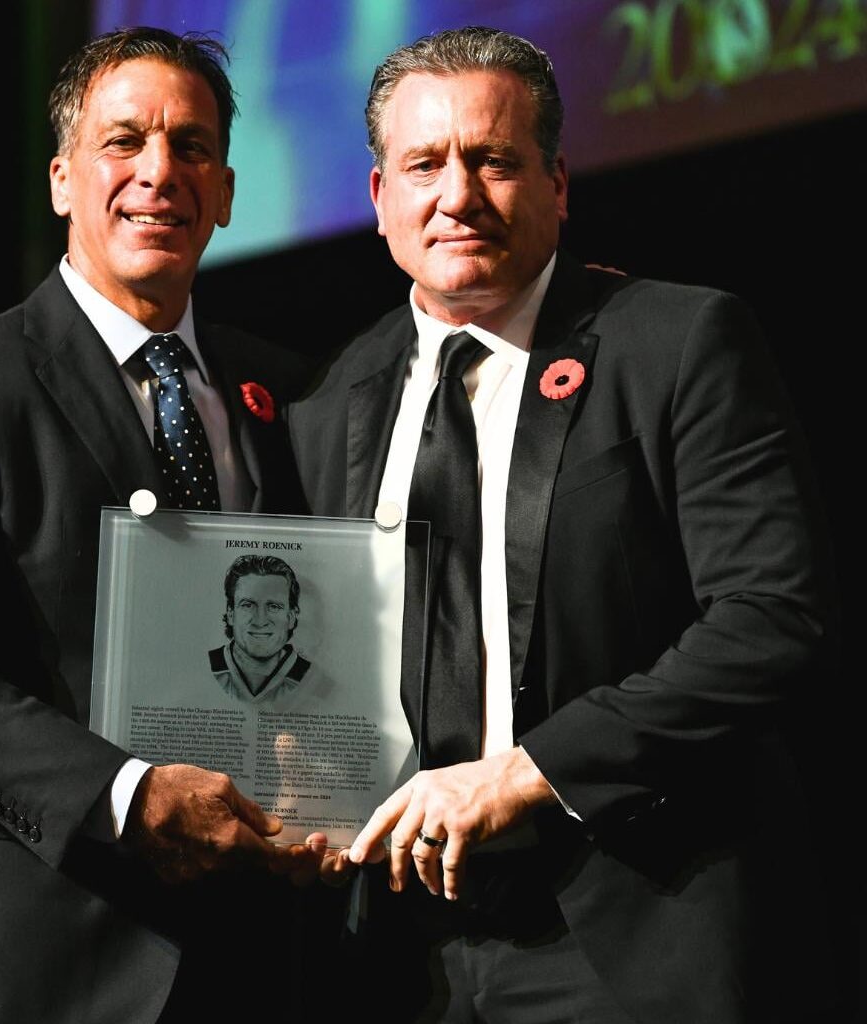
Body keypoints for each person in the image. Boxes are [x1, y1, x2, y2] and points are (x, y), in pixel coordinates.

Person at [289, 26, 836, 1024]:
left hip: (632, 931)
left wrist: (529, 774)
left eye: (493, 159)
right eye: (424, 165)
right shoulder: (327, 406)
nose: (457, 195)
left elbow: (771, 619)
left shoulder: (676, 343)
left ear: (557, 183)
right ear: (379, 202)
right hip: (398, 956)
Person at [0, 26, 322, 1024]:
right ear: (62, 179)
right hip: (20, 962)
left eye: (191, 147)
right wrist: (127, 794)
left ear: (227, 193)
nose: (159, 171)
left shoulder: (283, 387)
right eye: (124, 140)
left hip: (240, 967)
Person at [209, 554, 313, 702]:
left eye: (274, 607)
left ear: (291, 617)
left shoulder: (312, 678)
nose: (260, 621)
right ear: (231, 614)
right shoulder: (203, 668)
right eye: (247, 605)